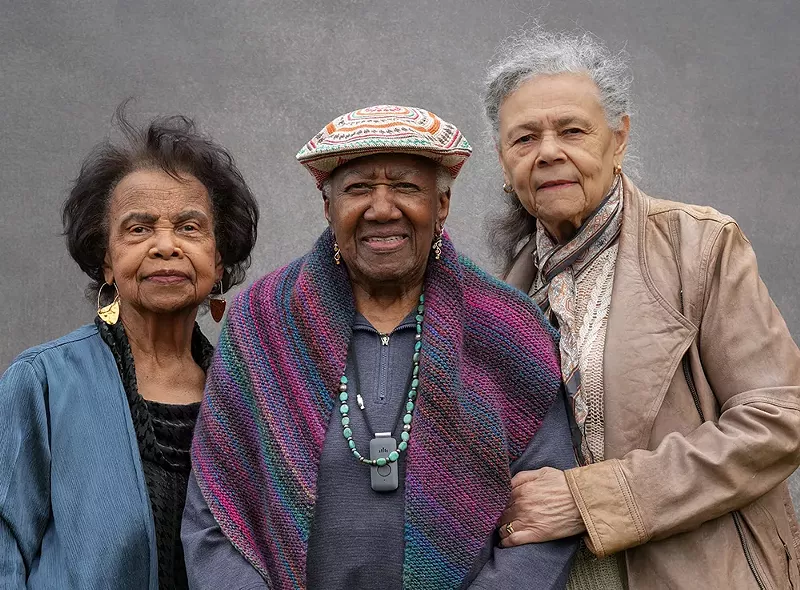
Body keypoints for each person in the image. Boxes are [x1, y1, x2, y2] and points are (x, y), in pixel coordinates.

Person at [182, 105, 579, 589]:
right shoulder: (261, 322)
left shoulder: (508, 329)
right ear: (329, 209)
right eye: (358, 189)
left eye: (407, 187)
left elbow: (546, 520)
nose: (382, 208)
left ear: (442, 205)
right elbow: (213, 520)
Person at [483, 26, 800, 589]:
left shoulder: (699, 247)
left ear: (619, 138)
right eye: (524, 138)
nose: (549, 151)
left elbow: (779, 420)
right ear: (504, 161)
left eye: (573, 131)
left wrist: (591, 500)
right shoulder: (502, 292)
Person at [0, 106, 259, 589]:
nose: (165, 246)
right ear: (106, 259)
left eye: (189, 227)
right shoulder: (42, 382)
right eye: (138, 228)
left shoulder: (249, 392)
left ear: (218, 258)